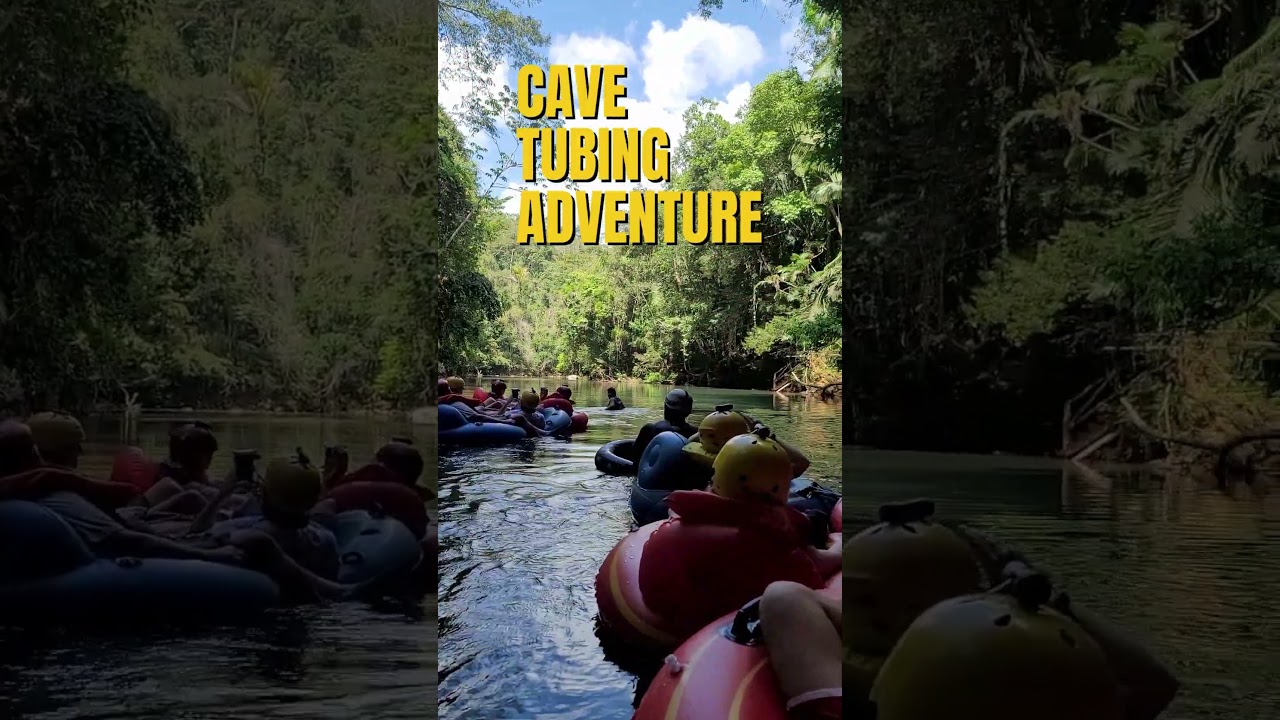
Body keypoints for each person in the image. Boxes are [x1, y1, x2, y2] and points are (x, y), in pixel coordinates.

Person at [637, 426, 840, 640]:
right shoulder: (774, 545)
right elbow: (817, 571)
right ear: (782, 487)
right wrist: (838, 543)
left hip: (666, 615)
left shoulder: (683, 515)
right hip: (719, 634)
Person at [191, 455, 339, 580]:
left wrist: (221, 494)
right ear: (314, 500)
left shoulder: (243, 536)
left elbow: (196, 533)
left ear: (264, 493)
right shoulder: (326, 541)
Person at [631, 389, 697, 460]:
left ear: (666, 408)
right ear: (689, 411)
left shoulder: (649, 430)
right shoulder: (697, 435)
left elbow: (633, 457)